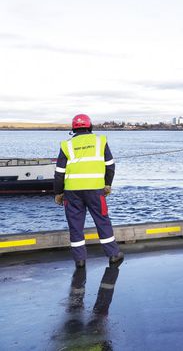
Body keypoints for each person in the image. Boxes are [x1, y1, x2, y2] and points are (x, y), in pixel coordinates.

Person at [53, 114, 123, 268]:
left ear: (73, 128)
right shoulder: (100, 141)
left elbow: (59, 173)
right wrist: (107, 184)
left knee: (75, 225)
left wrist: (58, 193)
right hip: (95, 190)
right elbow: (110, 166)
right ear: (89, 126)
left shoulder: (66, 145)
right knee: (102, 220)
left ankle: (80, 260)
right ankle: (113, 254)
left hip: (72, 192)